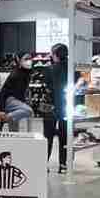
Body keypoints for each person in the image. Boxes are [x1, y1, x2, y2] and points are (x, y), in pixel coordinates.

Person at [45, 43, 69, 172]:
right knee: (65, 136)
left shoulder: (50, 69)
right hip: (66, 105)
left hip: (50, 106)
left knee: (47, 136)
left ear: (55, 55)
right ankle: (63, 165)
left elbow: (47, 87)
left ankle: (44, 164)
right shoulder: (71, 69)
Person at [0, 56, 33, 132]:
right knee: (29, 111)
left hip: (16, 102)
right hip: (10, 101)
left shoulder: (26, 73)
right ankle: (5, 117)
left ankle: (8, 119)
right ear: (19, 60)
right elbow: (3, 92)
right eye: (26, 59)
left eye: (30, 59)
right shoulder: (15, 74)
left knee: (14, 132)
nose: (29, 61)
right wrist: (2, 110)